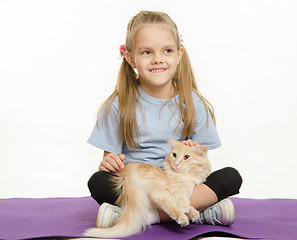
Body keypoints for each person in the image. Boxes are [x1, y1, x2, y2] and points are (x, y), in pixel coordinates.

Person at [87, 10, 242, 228]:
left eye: (167, 50)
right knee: (99, 182)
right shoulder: (117, 105)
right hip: (141, 185)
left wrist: (193, 148)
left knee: (230, 177)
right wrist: (109, 162)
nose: (158, 59)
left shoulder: (193, 102)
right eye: (147, 52)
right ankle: (201, 212)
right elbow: (113, 165)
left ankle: (146, 216)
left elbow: (202, 159)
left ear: (179, 54)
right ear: (130, 58)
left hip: (180, 184)